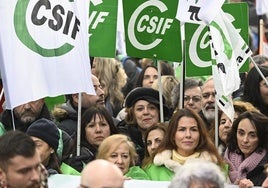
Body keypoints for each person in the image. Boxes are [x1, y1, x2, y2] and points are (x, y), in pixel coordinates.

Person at [145, 108, 224, 181]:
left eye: (193, 129)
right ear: (172, 135)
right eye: (182, 130)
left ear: (200, 135)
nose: (188, 135)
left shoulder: (217, 169)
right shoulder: (152, 170)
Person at [53, 74, 119, 137]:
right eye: (94, 89)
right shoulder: (65, 130)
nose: (102, 93)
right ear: (77, 97)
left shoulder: (114, 123)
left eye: (100, 87)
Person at [118, 87, 169, 163]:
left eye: (151, 108)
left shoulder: (171, 133)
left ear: (159, 112)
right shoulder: (123, 137)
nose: (146, 112)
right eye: (140, 109)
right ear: (133, 114)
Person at [67, 106, 118, 172]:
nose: (98, 130)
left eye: (103, 124)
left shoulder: (124, 153)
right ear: (83, 131)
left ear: (111, 128)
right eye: (91, 126)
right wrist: (73, 171)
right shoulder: (74, 156)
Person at [224, 111, 268, 187]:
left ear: (262, 138)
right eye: (241, 133)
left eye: (252, 135)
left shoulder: (266, 167)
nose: (245, 140)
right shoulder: (223, 158)